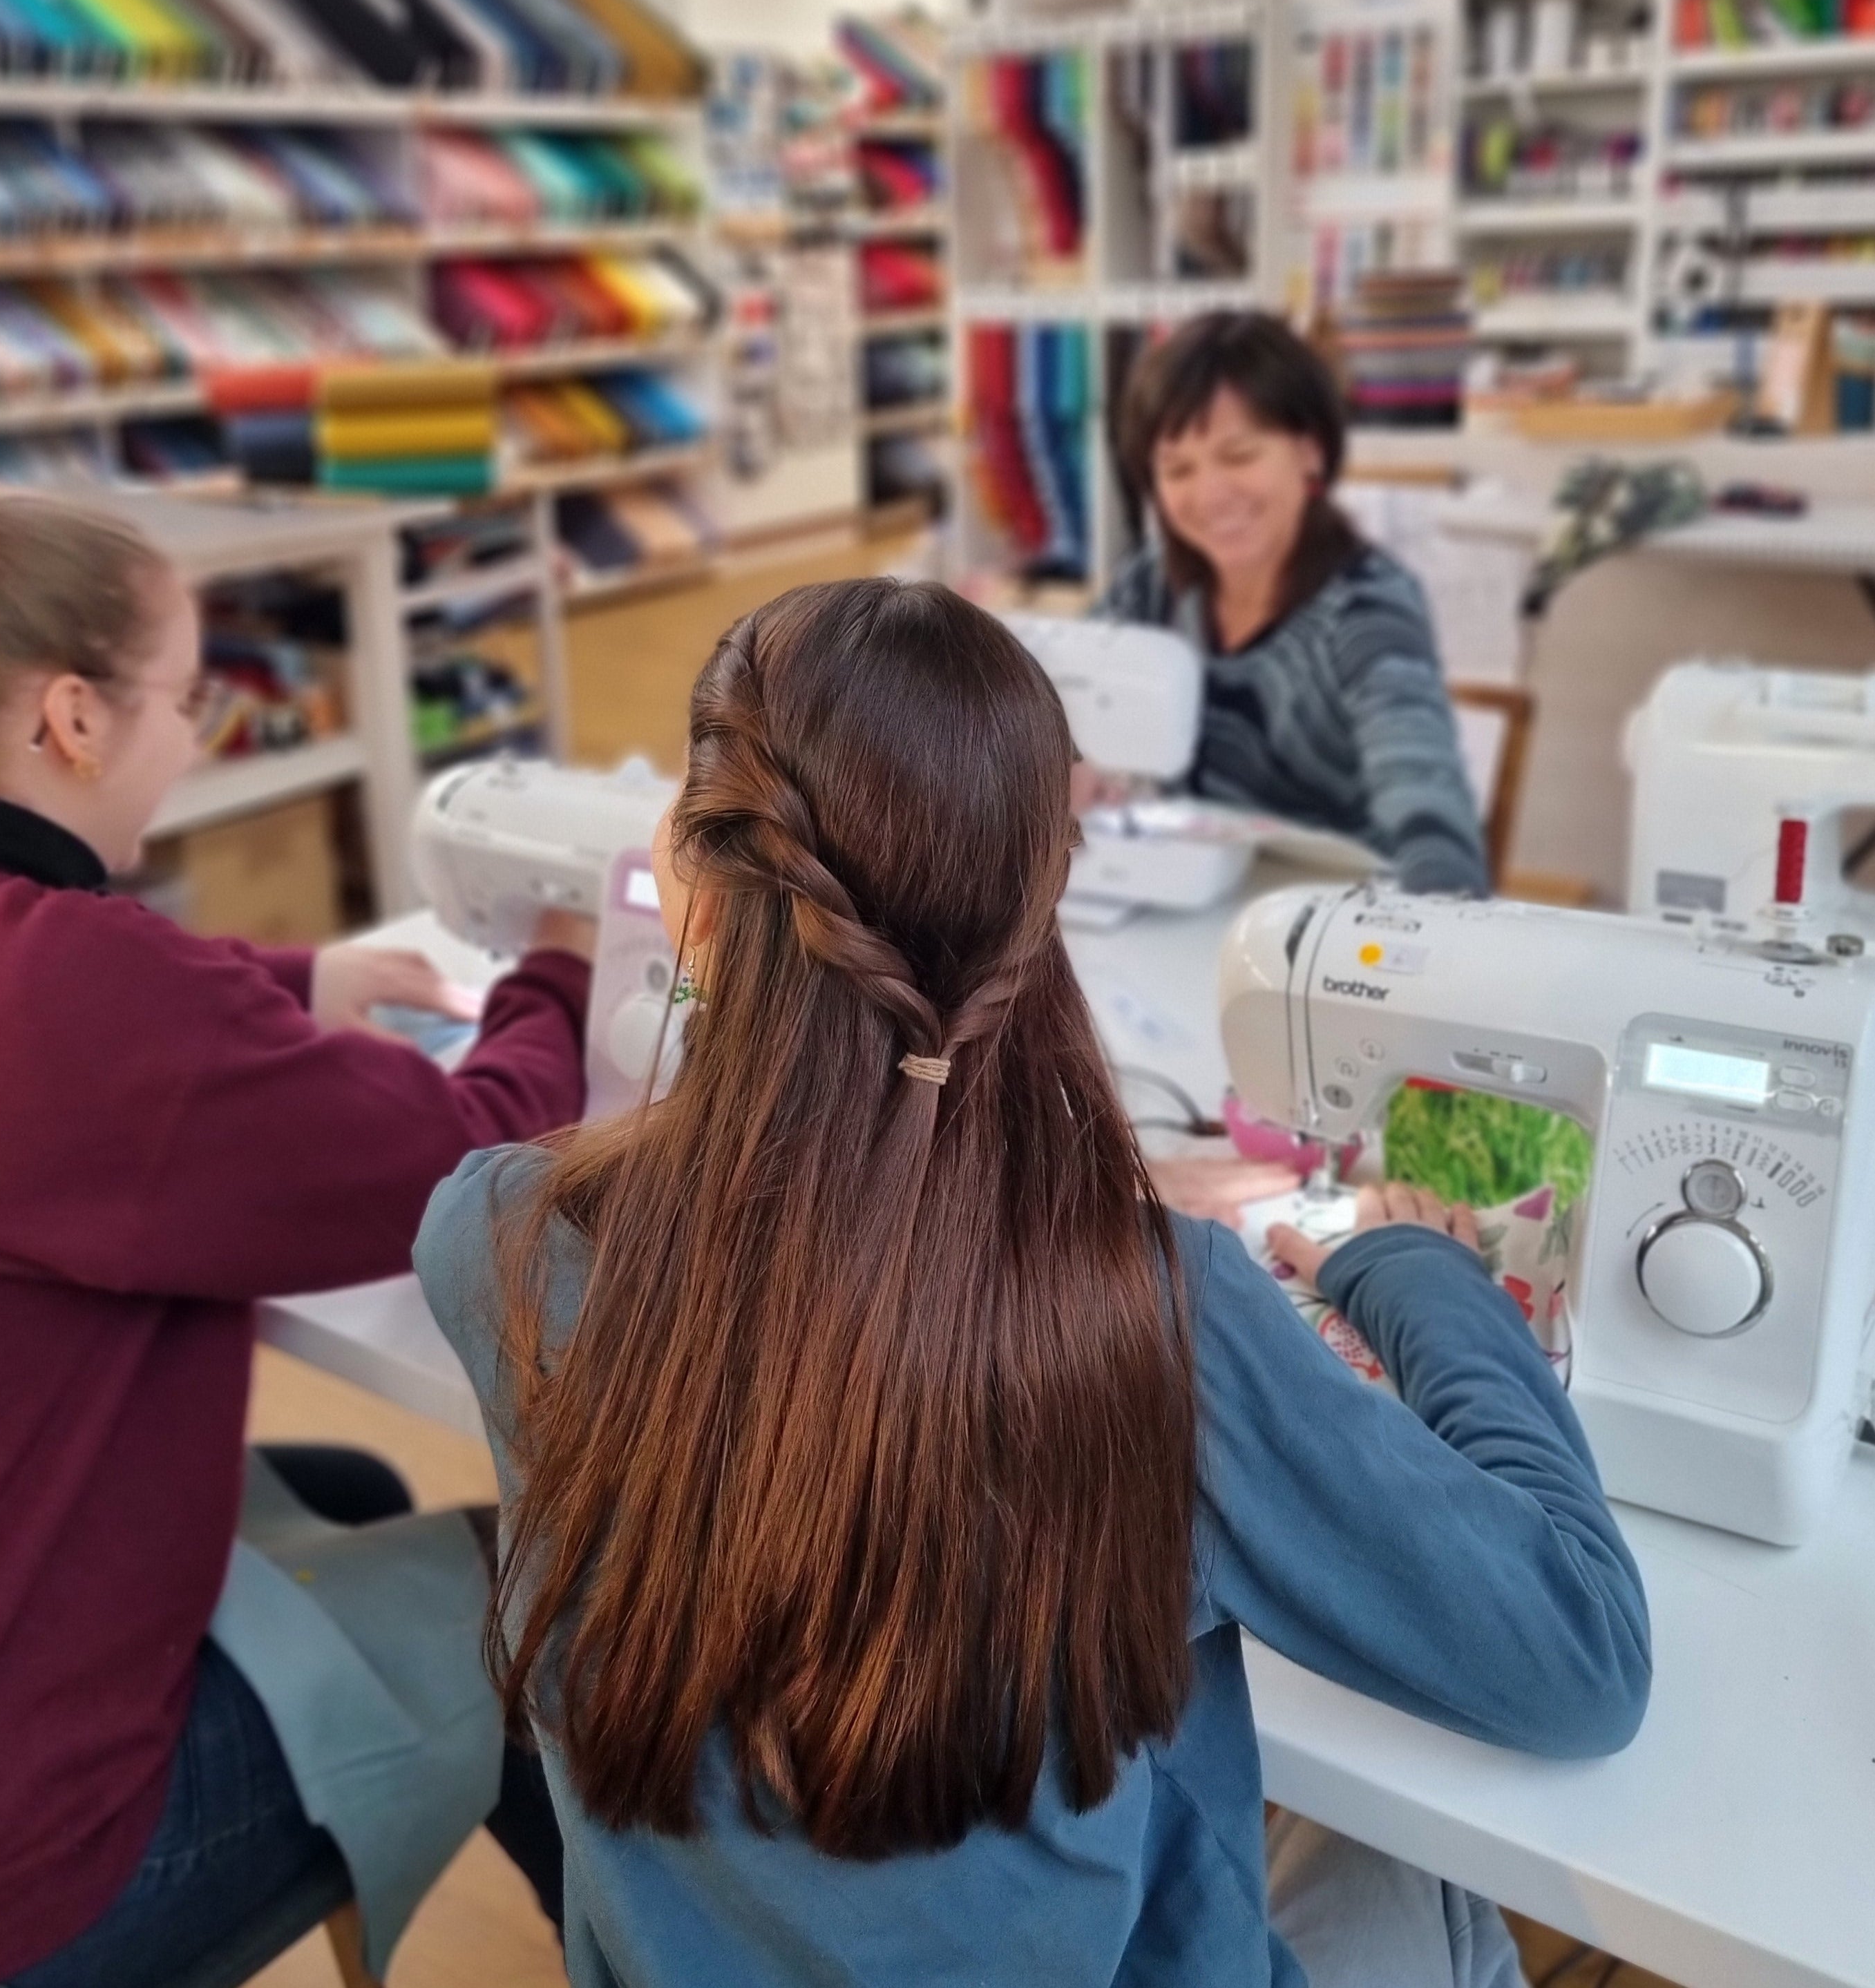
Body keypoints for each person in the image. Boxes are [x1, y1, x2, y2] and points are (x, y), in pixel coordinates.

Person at [415, 577, 1650, 1988]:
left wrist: (1068, 1203)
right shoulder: (1143, 1320)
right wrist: (1408, 1265)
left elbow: (793, 1246)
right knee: (1410, 1870)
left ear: (686, 894)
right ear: (1042, 899)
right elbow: (1578, 1654)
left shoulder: (495, 1239)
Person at [0, 467, 585, 1988]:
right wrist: (559, 970)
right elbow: (469, 1143)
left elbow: (62, 998)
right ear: (73, 718)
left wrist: (291, 980)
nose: (196, 731)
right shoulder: (84, 1008)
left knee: (344, 1479)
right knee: (565, 1597)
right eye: (186, 697)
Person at [1094, 310, 1489, 899]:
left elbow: (1426, 805)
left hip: (1340, 925)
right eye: (1178, 469)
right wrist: (1058, 757)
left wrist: (1437, 936)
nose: (1209, 495)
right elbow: (1040, 708)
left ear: (1309, 452)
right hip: (1196, 907)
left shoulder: (1366, 611)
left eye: (1238, 456)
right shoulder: (1153, 587)